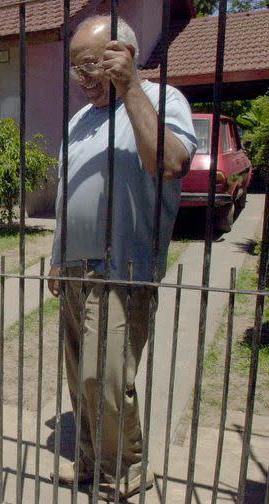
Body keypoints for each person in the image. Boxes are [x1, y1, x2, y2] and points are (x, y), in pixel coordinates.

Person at [47, 16, 197, 501]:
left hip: (122, 269)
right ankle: (91, 462)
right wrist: (55, 255)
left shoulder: (161, 100)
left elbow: (171, 163)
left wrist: (131, 86)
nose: (84, 78)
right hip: (73, 267)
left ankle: (127, 466)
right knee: (80, 379)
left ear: (126, 55)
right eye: (75, 69)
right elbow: (68, 195)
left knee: (106, 377)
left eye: (93, 64)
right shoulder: (78, 121)